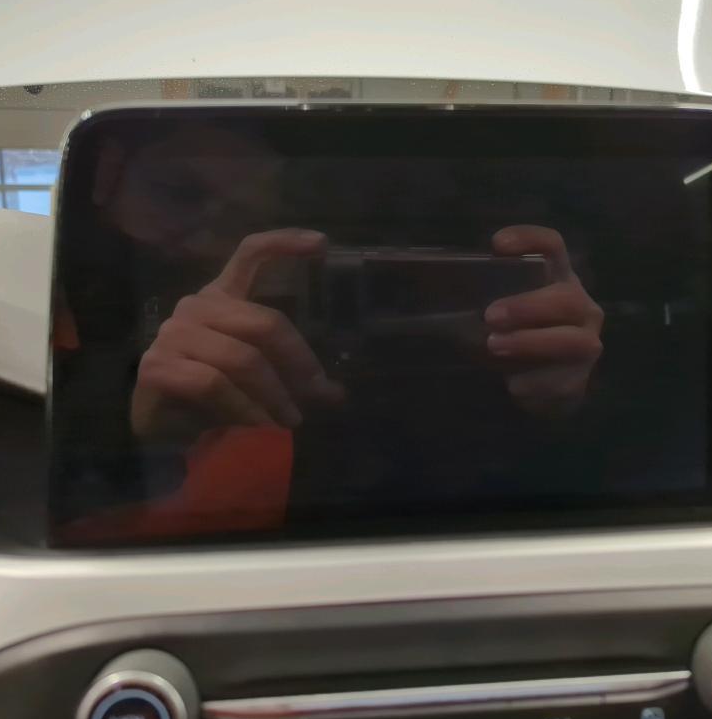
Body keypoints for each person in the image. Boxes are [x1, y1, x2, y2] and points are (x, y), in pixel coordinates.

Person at [52, 121, 605, 544]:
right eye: (177, 193)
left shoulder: (300, 367)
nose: (200, 241)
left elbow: (433, 521)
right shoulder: (35, 312)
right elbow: (11, 493)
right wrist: (128, 432)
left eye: (241, 223)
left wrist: (557, 406)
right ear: (107, 171)